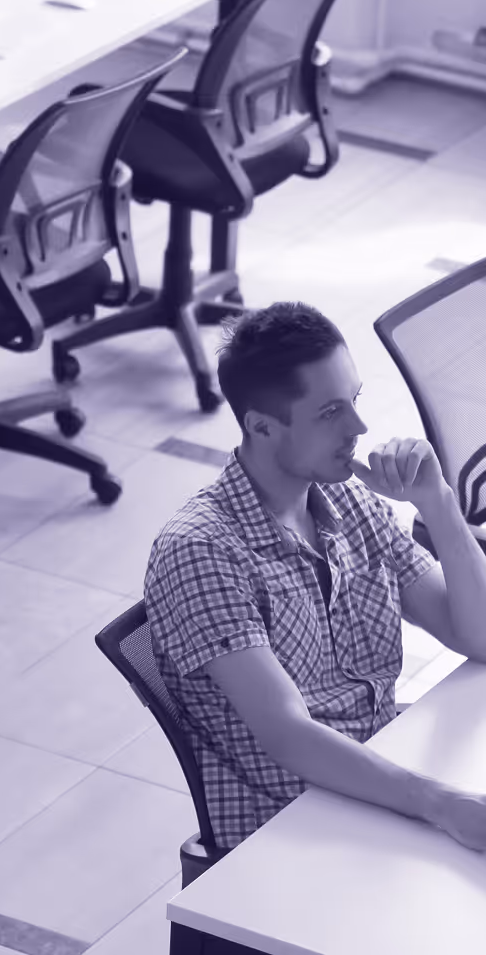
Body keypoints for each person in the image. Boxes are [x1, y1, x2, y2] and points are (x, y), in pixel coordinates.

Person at [145, 301, 486, 855]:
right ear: (261, 426)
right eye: (330, 413)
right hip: (289, 831)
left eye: (354, 401)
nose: (359, 429)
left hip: (384, 779)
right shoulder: (201, 552)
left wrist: (438, 502)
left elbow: (479, 635)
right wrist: (441, 805)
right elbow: (289, 737)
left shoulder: (346, 499)